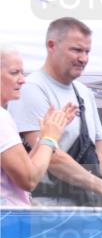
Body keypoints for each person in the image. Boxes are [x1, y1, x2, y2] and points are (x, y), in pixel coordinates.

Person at [7, 17, 102, 208]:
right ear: (51, 46)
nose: (84, 58)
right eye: (76, 50)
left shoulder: (84, 93)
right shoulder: (31, 88)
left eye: (87, 51)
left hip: (86, 207)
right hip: (46, 210)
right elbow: (50, 156)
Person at [1, 47, 74, 206]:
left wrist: (46, 135)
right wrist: (49, 138)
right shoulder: (1, 118)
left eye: (22, 73)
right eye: (14, 73)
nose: (23, 80)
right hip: (9, 218)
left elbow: (25, 169)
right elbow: (29, 179)